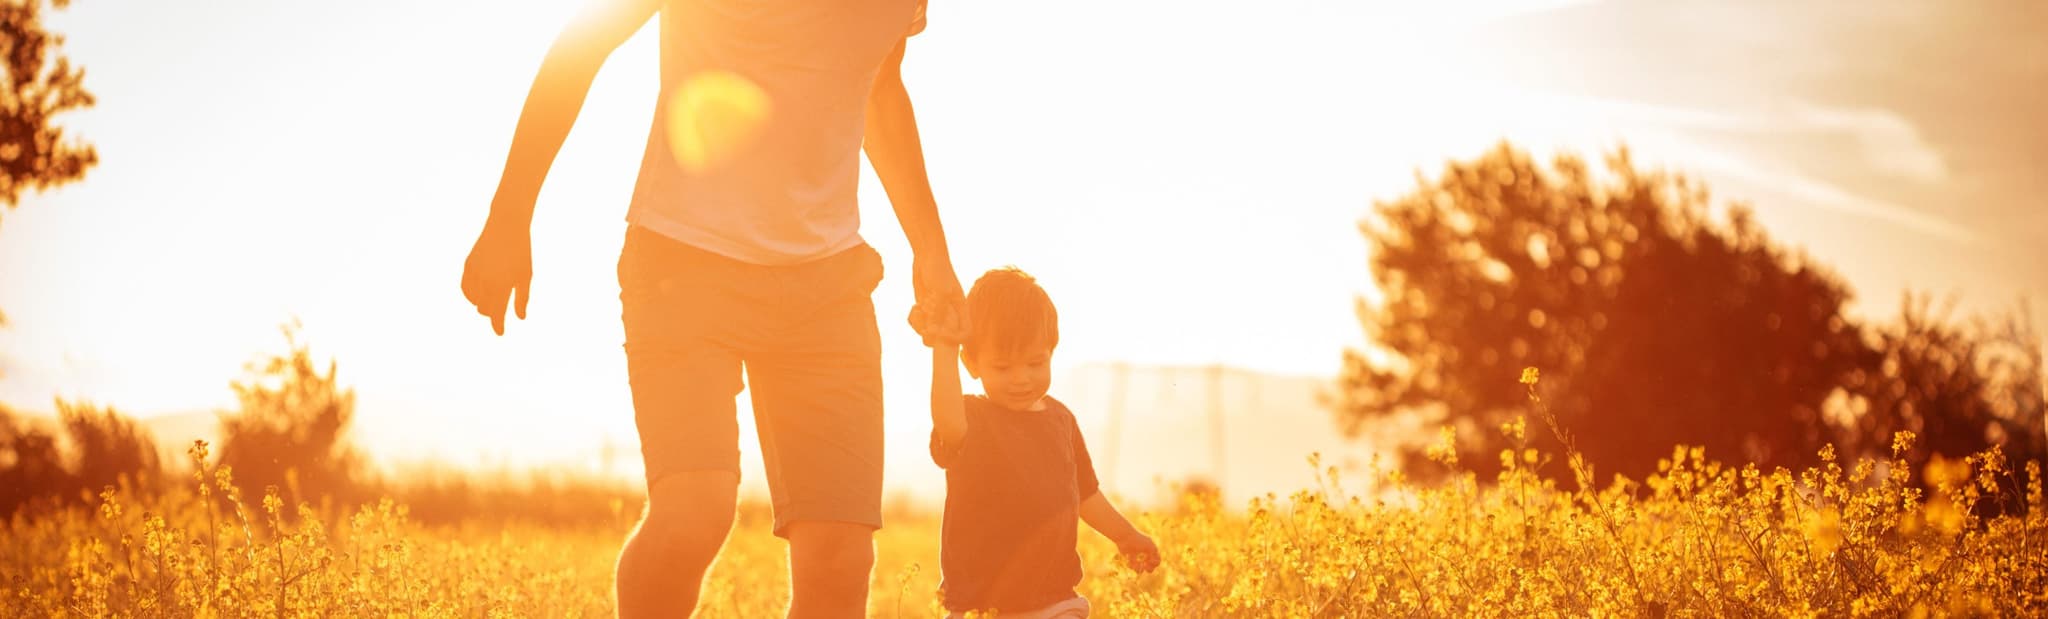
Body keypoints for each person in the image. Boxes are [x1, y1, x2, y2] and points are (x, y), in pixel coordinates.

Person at [458, 1, 966, 617]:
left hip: (828, 283)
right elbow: (584, 43)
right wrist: (510, 215)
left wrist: (931, 250)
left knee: (840, 557)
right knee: (692, 515)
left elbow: (880, 87)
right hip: (683, 263)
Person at [926, 267, 1161, 618]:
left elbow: (1086, 494)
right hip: (980, 603)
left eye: (1036, 363)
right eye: (1003, 367)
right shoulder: (969, 418)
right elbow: (946, 420)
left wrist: (1125, 535)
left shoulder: (1061, 421)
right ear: (971, 363)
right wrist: (944, 347)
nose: (1021, 378)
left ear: (1051, 352)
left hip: (1054, 599)